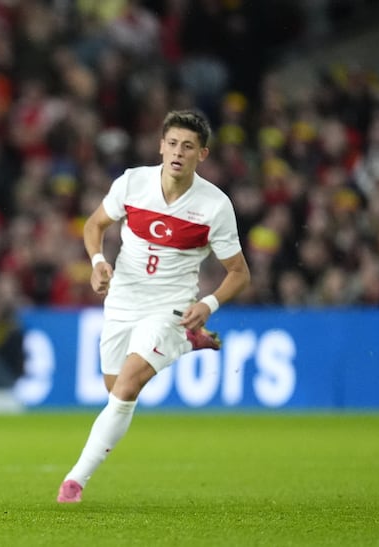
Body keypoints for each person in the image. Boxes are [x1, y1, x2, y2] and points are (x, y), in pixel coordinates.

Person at [56, 109, 250, 503]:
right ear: (161, 146)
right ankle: (189, 341)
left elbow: (240, 273)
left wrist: (209, 303)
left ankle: (75, 481)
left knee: (127, 386)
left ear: (203, 155)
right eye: (173, 143)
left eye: (189, 146)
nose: (179, 152)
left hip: (170, 306)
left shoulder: (215, 206)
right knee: (115, 391)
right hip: (122, 302)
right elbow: (94, 226)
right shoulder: (133, 183)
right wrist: (97, 262)